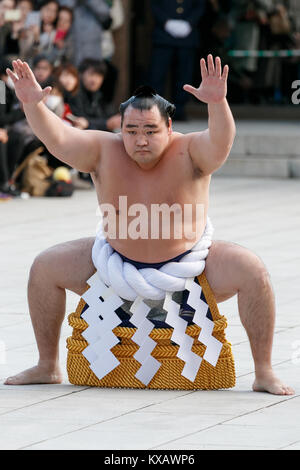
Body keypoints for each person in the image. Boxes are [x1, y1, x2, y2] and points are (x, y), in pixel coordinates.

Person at [4, 56, 295, 396]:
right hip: (114, 265)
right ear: (121, 129)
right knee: (44, 267)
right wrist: (32, 105)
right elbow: (59, 139)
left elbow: (221, 141)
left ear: (169, 128)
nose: (140, 140)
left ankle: (264, 371)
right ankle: (47, 364)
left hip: (190, 267)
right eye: (131, 131)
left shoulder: (190, 151)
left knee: (253, 271)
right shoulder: (103, 150)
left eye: (150, 130)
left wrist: (218, 104)